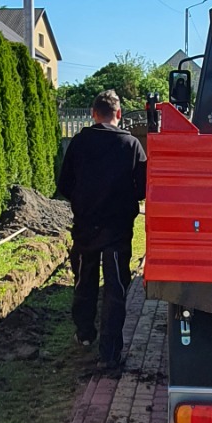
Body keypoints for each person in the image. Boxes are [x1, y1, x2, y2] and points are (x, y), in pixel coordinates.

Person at [57, 88, 147, 374]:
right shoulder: (132, 145)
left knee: (85, 281)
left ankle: (84, 334)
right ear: (118, 114)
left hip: (86, 227)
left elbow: (65, 184)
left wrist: (84, 203)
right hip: (118, 230)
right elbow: (143, 188)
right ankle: (109, 353)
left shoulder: (79, 142)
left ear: (93, 114)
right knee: (115, 290)